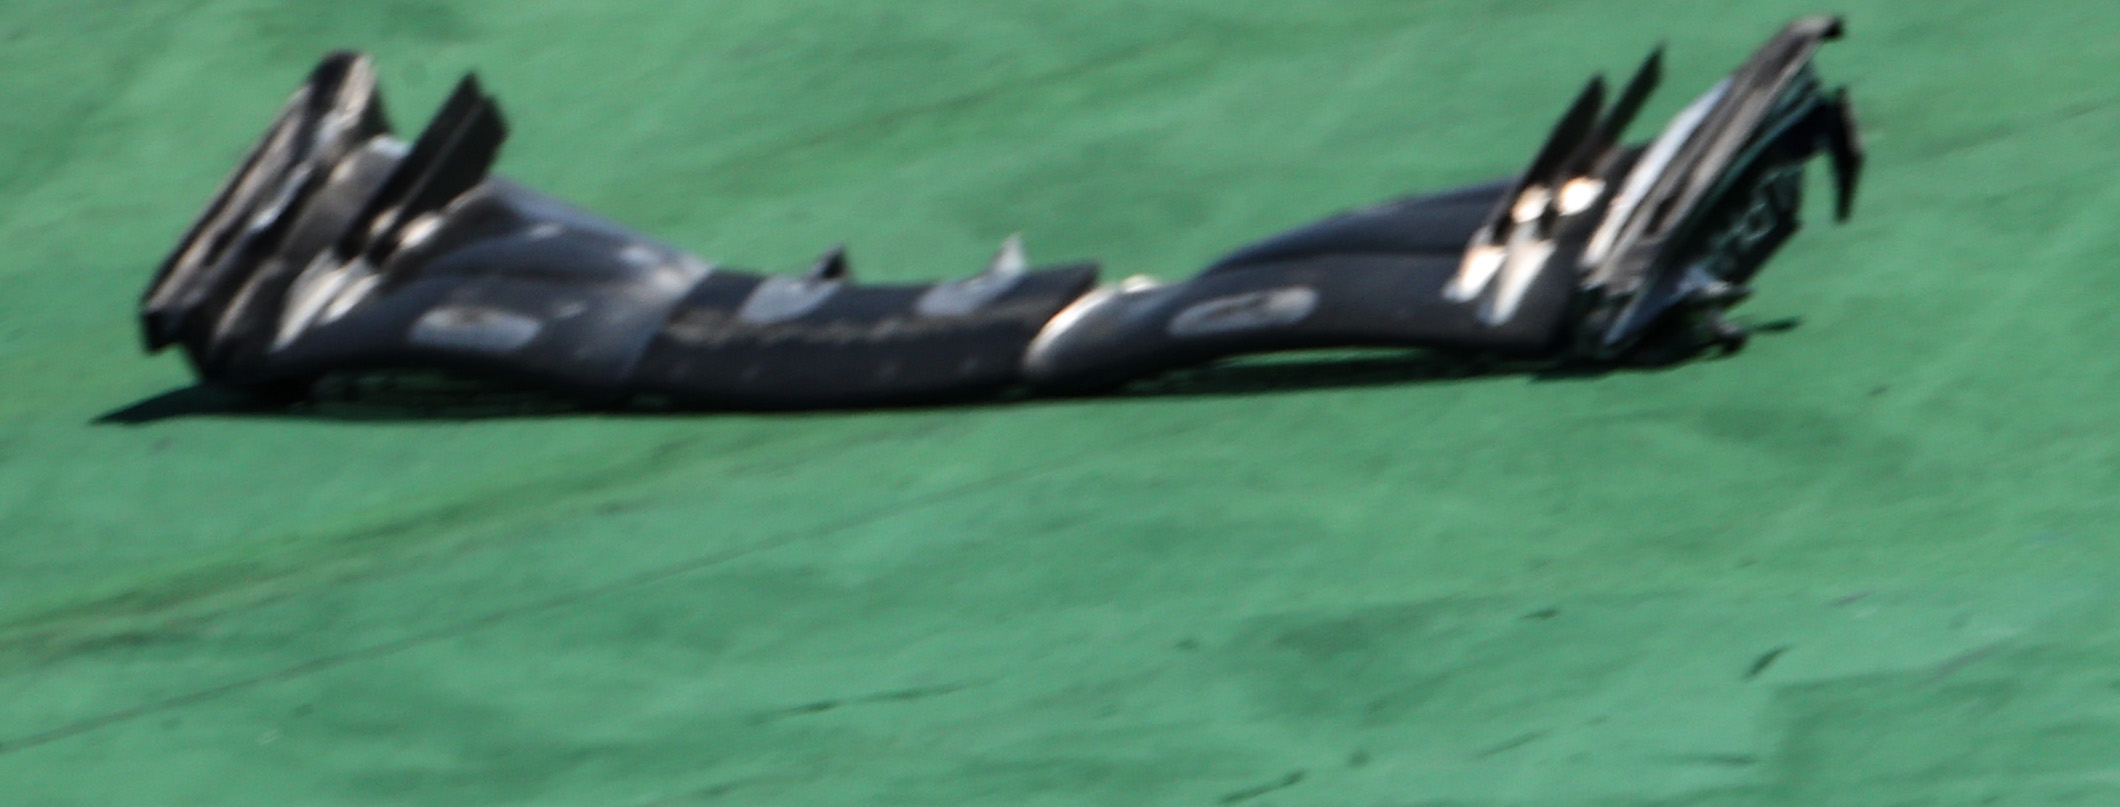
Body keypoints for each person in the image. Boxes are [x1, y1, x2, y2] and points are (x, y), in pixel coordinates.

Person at [136, 28, 1858, 408]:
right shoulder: (550, 290)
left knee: (1120, 317)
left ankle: (1539, 253)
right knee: (1107, 319)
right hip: (657, 320)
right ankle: (1536, 255)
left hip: (671, 320)